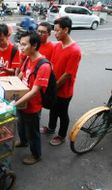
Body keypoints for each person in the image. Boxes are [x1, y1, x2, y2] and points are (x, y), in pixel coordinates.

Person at [15, 31, 51, 165]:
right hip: (21, 102)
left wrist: (15, 103)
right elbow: (21, 76)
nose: (21, 47)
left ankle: (36, 155)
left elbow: (35, 91)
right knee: (20, 124)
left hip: (32, 106)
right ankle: (23, 141)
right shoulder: (27, 58)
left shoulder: (43, 65)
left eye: (24, 45)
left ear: (34, 45)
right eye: (20, 44)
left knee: (33, 132)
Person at [46, 16, 81, 146]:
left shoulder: (74, 50)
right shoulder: (57, 46)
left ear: (66, 30)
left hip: (64, 90)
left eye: (57, 31)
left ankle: (61, 135)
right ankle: (50, 128)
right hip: (54, 86)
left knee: (62, 112)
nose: (55, 34)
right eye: (54, 30)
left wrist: (53, 87)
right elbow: (52, 64)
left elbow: (67, 75)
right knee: (53, 109)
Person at [36, 22, 55, 134]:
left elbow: (52, 66)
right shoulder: (34, 44)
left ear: (49, 34)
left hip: (43, 82)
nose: (40, 34)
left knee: (38, 105)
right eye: (38, 31)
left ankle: (35, 131)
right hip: (31, 79)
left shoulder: (52, 47)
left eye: (43, 32)